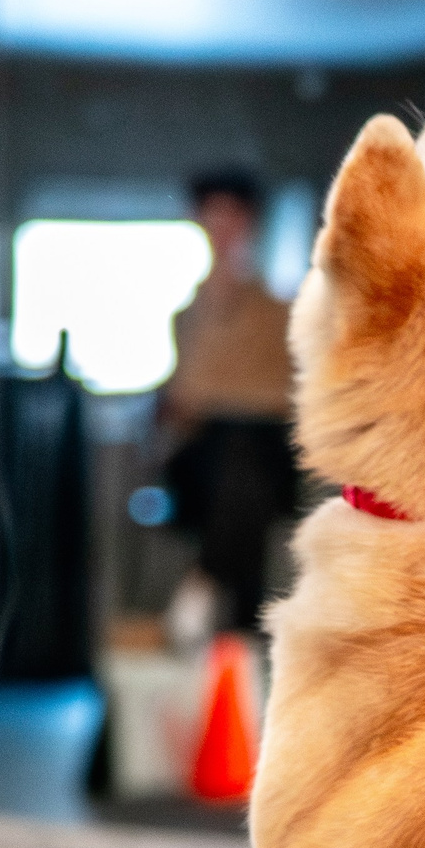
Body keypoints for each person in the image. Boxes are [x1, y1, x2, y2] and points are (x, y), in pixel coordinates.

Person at [158, 170, 302, 634]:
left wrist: (224, 400)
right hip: (203, 459)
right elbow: (183, 399)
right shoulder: (186, 316)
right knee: (236, 458)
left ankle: (206, 580)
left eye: (232, 217)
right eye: (212, 215)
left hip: (263, 453)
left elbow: (286, 399)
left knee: (246, 454)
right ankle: (231, 613)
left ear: (251, 223)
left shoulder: (280, 313)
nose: (222, 228)